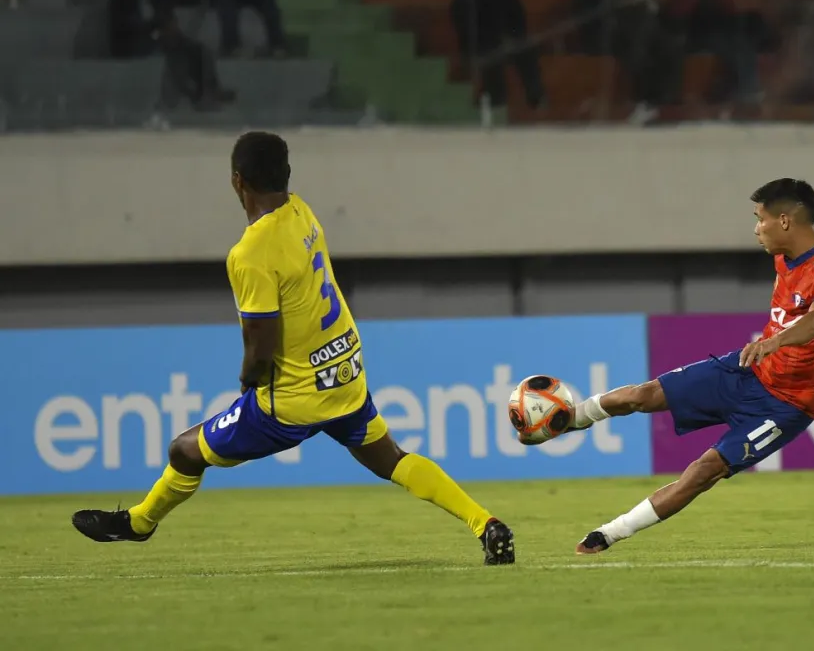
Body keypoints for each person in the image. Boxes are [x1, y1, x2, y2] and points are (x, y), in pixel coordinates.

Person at [71, 132, 516, 567]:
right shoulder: (302, 212)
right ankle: (486, 523)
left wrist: (249, 380)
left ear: (237, 181)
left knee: (183, 451)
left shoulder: (249, 253)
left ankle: (140, 522)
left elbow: (260, 341)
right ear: (287, 175)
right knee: (392, 460)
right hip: (343, 371)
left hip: (290, 401)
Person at [522, 178, 814, 554]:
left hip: (787, 404)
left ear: (784, 221)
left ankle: (609, 533)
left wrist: (774, 342)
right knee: (641, 395)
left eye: (759, 219)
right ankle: (562, 421)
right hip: (748, 370)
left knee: (705, 471)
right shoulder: (784, 259)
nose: (755, 229)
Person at [572, 0, 682, 125]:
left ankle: (665, 100)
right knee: (640, 46)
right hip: (608, 36)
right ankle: (644, 102)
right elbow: (588, 18)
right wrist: (618, 5)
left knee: (671, 47)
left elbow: (655, 4)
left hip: (644, 34)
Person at [449, 0, 545, 110]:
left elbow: (519, 18)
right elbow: (465, 29)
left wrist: (513, 38)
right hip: (482, 46)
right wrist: (497, 42)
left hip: (509, 41)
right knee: (492, 59)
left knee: (527, 51)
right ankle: (497, 103)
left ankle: (536, 98)